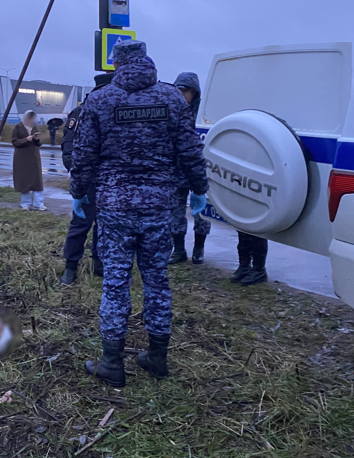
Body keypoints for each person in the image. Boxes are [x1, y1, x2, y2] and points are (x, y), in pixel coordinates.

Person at [70, 39, 208, 386]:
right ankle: (157, 357)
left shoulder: (99, 100)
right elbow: (190, 150)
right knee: (157, 279)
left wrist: (77, 193)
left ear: (116, 64)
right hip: (159, 204)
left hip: (115, 206)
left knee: (116, 282)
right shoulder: (172, 98)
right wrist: (199, 190)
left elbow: (84, 154)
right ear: (147, 61)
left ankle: (112, 363)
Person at [59, 73, 114, 286]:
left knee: (105, 225)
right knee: (81, 223)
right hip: (88, 179)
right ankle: (70, 267)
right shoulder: (81, 112)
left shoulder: (114, 110)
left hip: (110, 180)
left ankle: (99, 263)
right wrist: (75, 170)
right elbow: (69, 144)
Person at [169, 72, 212, 265]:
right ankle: (178, 249)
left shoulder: (204, 115)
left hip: (198, 171)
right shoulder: (170, 111)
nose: (181, 94)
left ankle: (199, 248)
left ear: (194, 92)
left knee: (201, 213)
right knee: (175, 213)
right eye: (178, 89)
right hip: (175, 171)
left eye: (185, 90)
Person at [12, 110, 46, 211]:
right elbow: (14, 142)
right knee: (24, 181)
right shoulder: (18, 128)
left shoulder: (34, 128)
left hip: (34, 157)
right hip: (22, 158)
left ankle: (39, 204)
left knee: (37, 181)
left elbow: (39, 143)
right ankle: (25, 203)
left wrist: (36, 139)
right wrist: (26, 139)